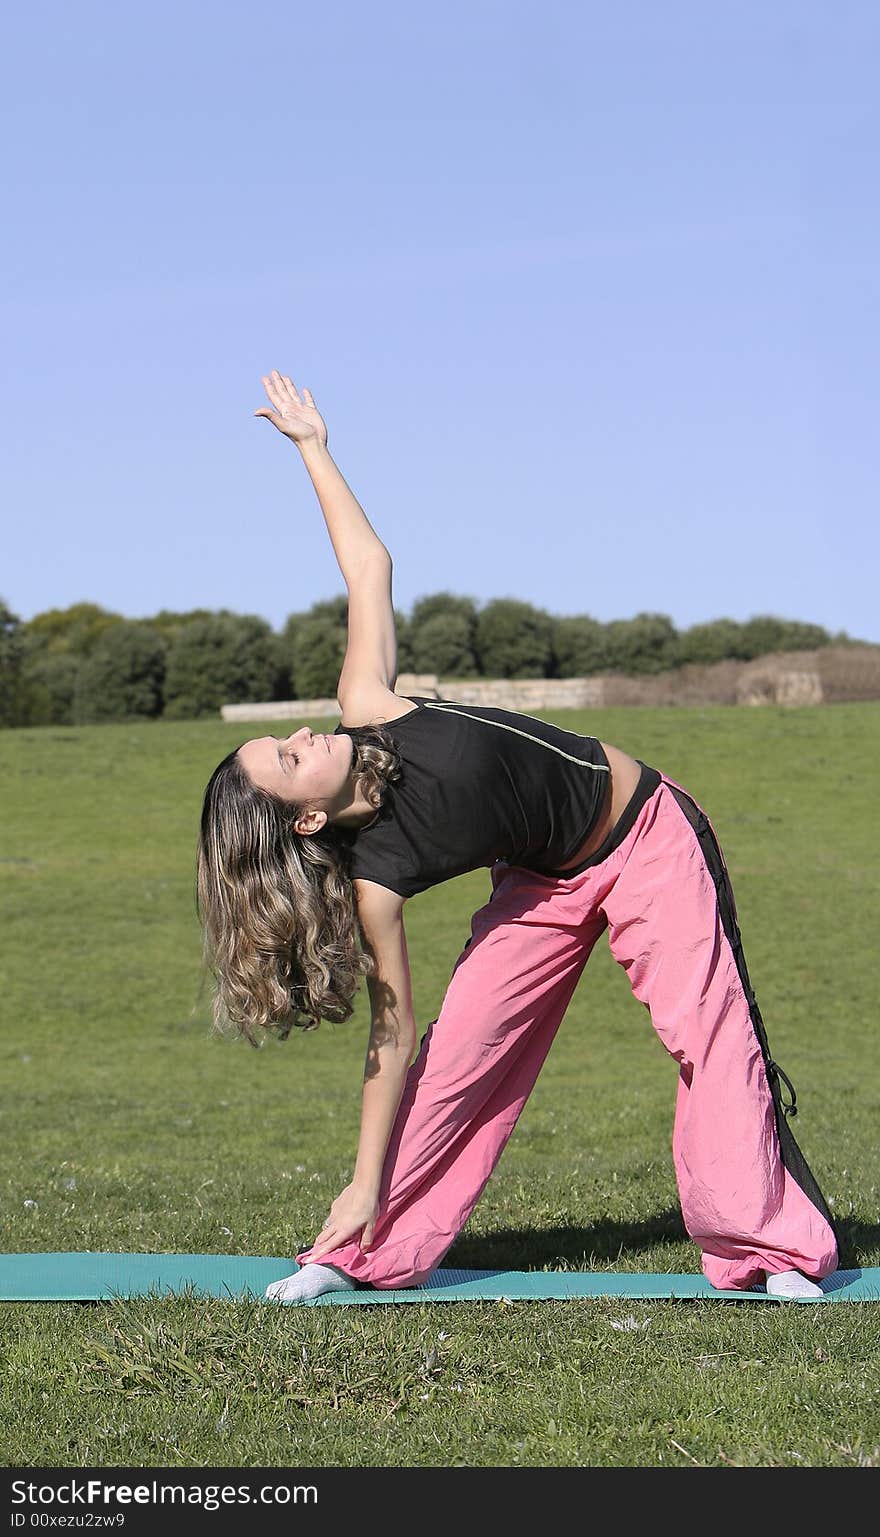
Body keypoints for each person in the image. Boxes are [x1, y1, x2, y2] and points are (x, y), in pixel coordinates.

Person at [196, 369, 840, 1305]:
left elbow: (368, 566)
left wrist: (313, 448)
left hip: (644, 831)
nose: (303, 736)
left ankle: (767, 1252)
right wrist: (364, 1176)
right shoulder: (376, 879)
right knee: (458, 1050)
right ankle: (365, 1248)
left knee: (707, 1029)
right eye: (289, 760)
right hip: (540, 884)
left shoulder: (370, 705)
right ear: (304, 817)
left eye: (286, 737)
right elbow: (393, 1033)